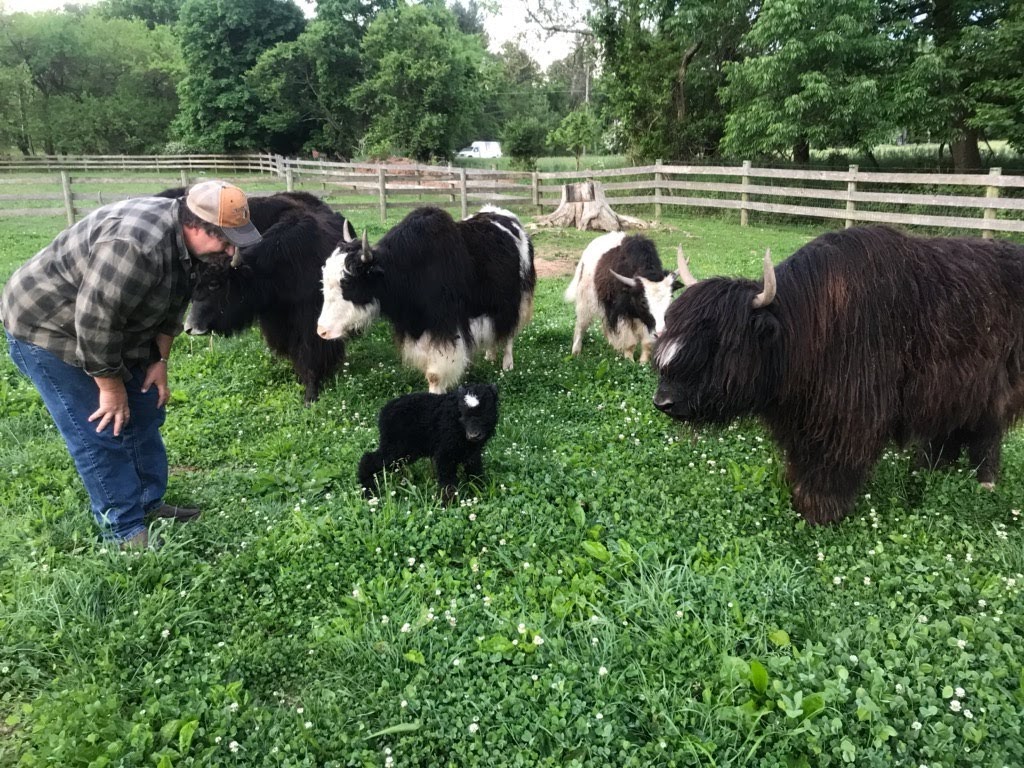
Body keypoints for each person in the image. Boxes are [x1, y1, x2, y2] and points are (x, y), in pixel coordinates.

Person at [1, 180, 262, 550]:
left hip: (113, 327)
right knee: (101, 428)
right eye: (225, 240)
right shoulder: (136, 246)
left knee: (144, 408)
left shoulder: (194, 250)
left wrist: (160, 360)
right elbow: (95, 321)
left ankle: (147, 503)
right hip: (49, 326)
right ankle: (123, 530)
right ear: (195, 225)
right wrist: (110, 389)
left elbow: (174, 306)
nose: (232, 250)